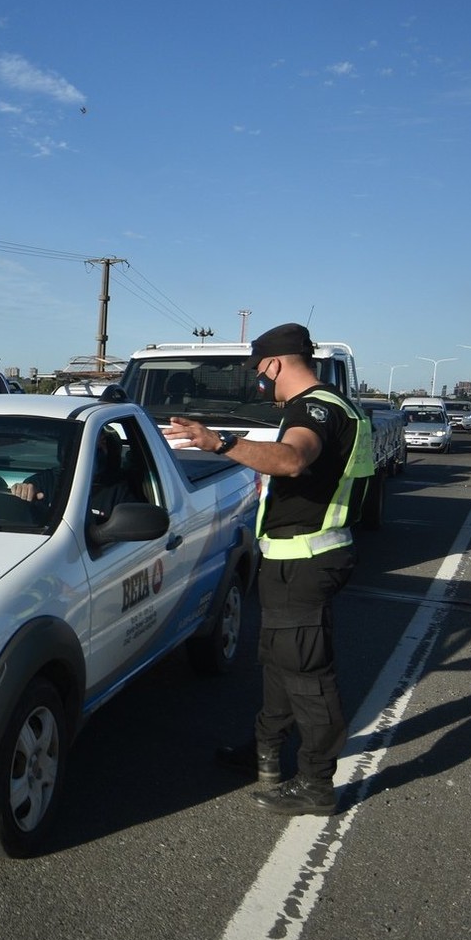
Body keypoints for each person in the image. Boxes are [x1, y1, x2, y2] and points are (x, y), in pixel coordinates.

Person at [163, 322, 375, 817]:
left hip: (306, 561)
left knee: (306, 673)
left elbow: (294, 458)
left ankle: (317, 784)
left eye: (259, 370)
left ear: (275, 364)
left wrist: (220, 444)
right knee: (279, 664)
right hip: (293, 557)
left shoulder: (314, 409)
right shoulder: (330, 405)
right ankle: (266, 754)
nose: (259, 380)